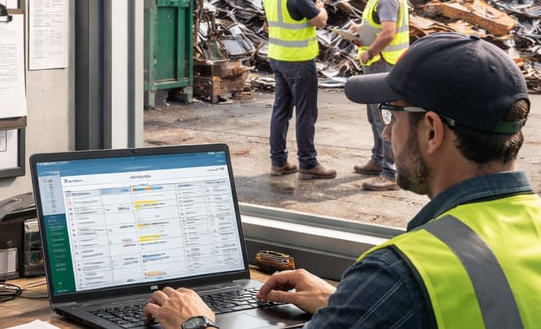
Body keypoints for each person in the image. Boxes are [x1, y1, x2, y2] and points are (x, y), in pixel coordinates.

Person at [145, 32, 539, 328]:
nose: (388, 134)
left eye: (393, 116)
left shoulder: (401, 274)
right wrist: (351, 303)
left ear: (432, 131)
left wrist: (194, 323)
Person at [261, 0, 335, 180]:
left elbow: (267, 25)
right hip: (299, 61)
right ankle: (308, 163)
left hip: (278, 58)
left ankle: (278, 161)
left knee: (280, 111)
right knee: (306, 113)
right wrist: (321, 9)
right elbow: (319, 21)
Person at [349, 0, 409, 191]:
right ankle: (377, 160)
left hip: (384, 64)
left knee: (385, 118)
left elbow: (388, 33)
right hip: (380, 63)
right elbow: (377, 27)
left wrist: (370, 51)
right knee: (374, 116)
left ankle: (390, 172)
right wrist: (359, 31)